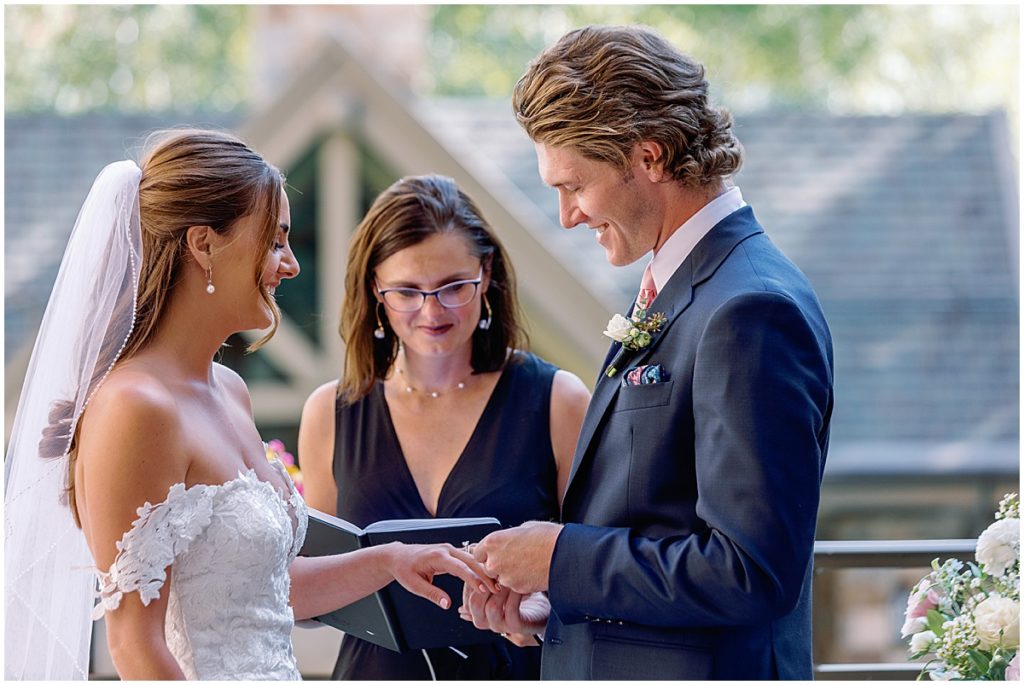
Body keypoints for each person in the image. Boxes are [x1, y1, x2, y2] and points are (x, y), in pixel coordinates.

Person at [4, 129, 494, 680]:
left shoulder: (231, 391)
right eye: (275, 240)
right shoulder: (134, 407)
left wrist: (390, 561)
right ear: (204, 243)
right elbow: (134, 647)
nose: (290, 265)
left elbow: (266, 591)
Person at [461, 25, 835, 680]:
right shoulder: (681, 284)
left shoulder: (749, 311)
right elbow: (656, 518)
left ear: (650, 157)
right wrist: (555, 604)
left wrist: (559, 557)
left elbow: (749, 571)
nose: (567, 216)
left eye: (574, 185)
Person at [298, 174, 590, 679]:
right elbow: (307, 595)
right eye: (407, 291)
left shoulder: (558, 401)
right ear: (375, 290)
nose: (431, 311)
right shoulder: (330, 411)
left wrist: (541, 612)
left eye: (454, 287)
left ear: (487, 272)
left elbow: (597, 569)